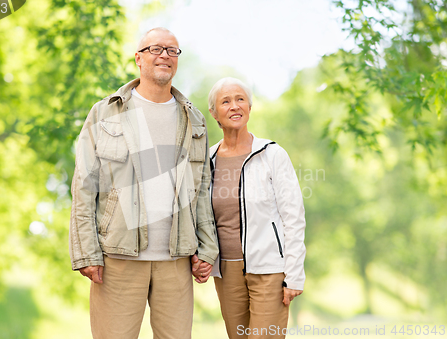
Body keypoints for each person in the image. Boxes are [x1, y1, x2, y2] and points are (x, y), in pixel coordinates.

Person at [69, 27, 219, 339]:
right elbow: (84, 186)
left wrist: (207, 247)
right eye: (156, 49)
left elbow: (202, 189)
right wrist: (87, 253)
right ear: (138, 58)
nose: (165, 55)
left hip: (176, 262)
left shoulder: (194, 119)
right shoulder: (105, 111)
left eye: (172, 51)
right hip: (118, 260)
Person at [193, 77, 306, 338]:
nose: (234, 106)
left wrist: (295, 274)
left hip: (269, 270)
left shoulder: (271, 154)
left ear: (250, 107)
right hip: (226, 272)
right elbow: (200, 217)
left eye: (240, 99)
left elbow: (294, 217)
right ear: (214, 113)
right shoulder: (206, 160)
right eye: (226, 101)